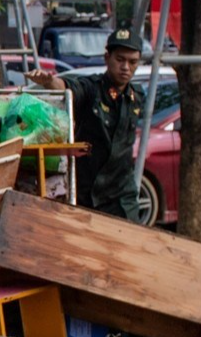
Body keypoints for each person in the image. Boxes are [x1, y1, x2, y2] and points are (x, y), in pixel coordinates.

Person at [28, 28, 145, 222]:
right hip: (88, 194)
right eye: (120, 59)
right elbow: (69, 88)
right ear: (107, 58)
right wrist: (49, 82)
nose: (126, 67)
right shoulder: (92, 89)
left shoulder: (137, 96)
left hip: (122, 195)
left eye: (132, 62)